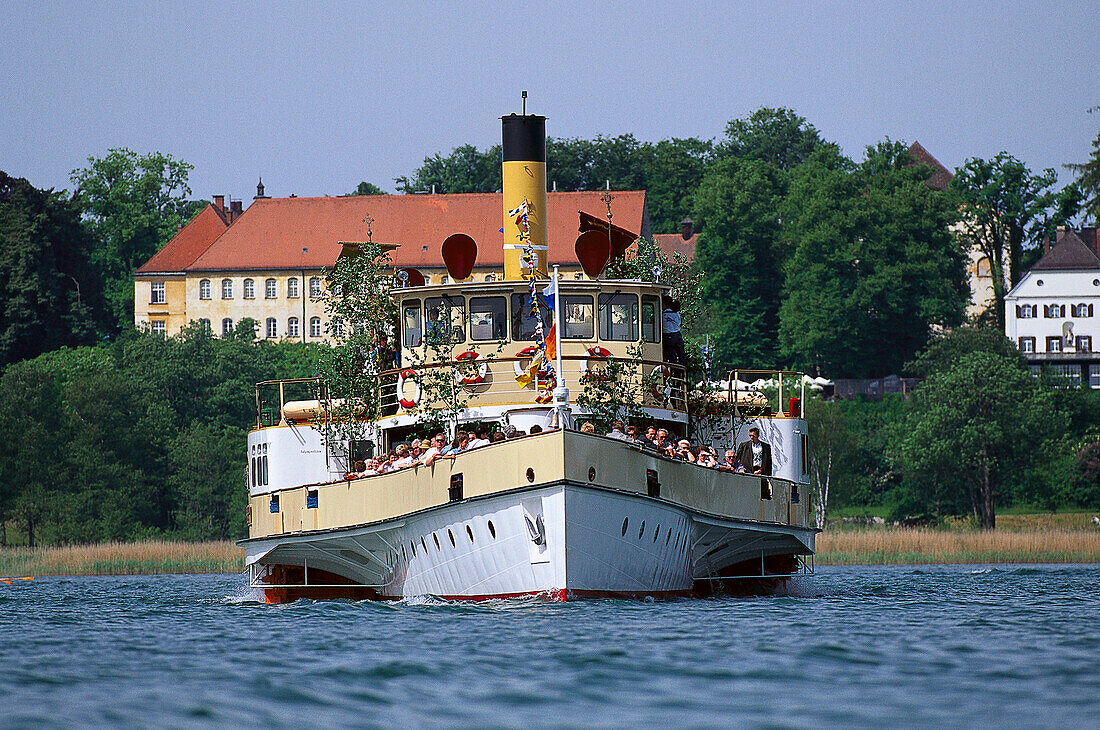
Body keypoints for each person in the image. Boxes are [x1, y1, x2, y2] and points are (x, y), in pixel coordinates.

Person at [662, 299, 686, 365]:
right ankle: (682, 369)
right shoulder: (676, 314)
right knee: (681, 354)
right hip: (677, 335)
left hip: (669, 336)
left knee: (672, 356)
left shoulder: (664, 314)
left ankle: (674, 370)